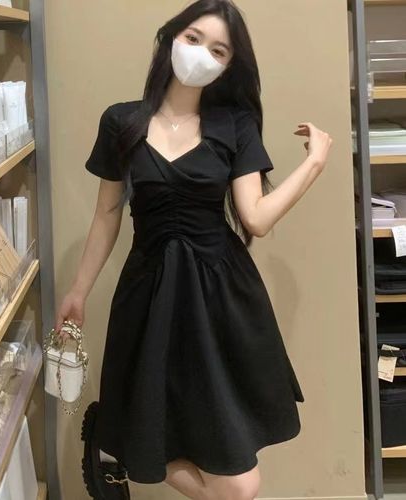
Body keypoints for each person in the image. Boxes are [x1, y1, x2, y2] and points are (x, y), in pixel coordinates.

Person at [56, 1, 332, 499]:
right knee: (160, 431)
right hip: (150, 294)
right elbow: (107, 214)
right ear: (170, 38)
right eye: (193, 38)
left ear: (229, 66)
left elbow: (255, 218)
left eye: (219, 50)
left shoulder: (235, 124)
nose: (202, 54)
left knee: (239, 482)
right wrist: (78, 291)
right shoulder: (122, 121)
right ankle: (114, 443)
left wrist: (313, 164)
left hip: (220, 297)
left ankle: (109, 446)